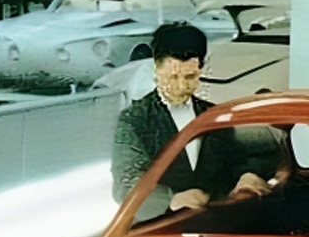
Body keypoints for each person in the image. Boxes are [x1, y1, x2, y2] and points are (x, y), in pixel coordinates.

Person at [110, 20, 270, 216]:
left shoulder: (213, 115)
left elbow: (233, 162)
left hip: (213, 223)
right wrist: (170, 200)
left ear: (202, 69)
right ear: (156, 68)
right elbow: (125, 183)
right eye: (172, 77)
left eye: (189, 77)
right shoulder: (134, 120)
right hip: (158, 229)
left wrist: (247, 176)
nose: (180, 87)